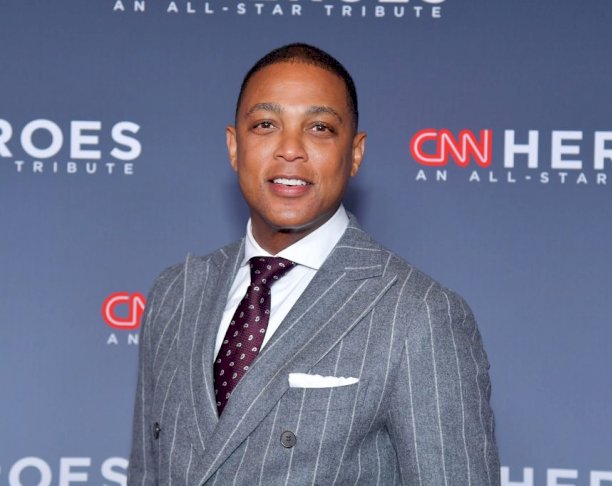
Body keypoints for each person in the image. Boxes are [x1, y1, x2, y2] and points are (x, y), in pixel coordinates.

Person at [128, 43, 499, 486]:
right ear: (234, 145)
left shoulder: (418, 314)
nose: (290, 150)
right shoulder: (175, 293)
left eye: (319, 127)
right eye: (266, 124)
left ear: (356, 153)